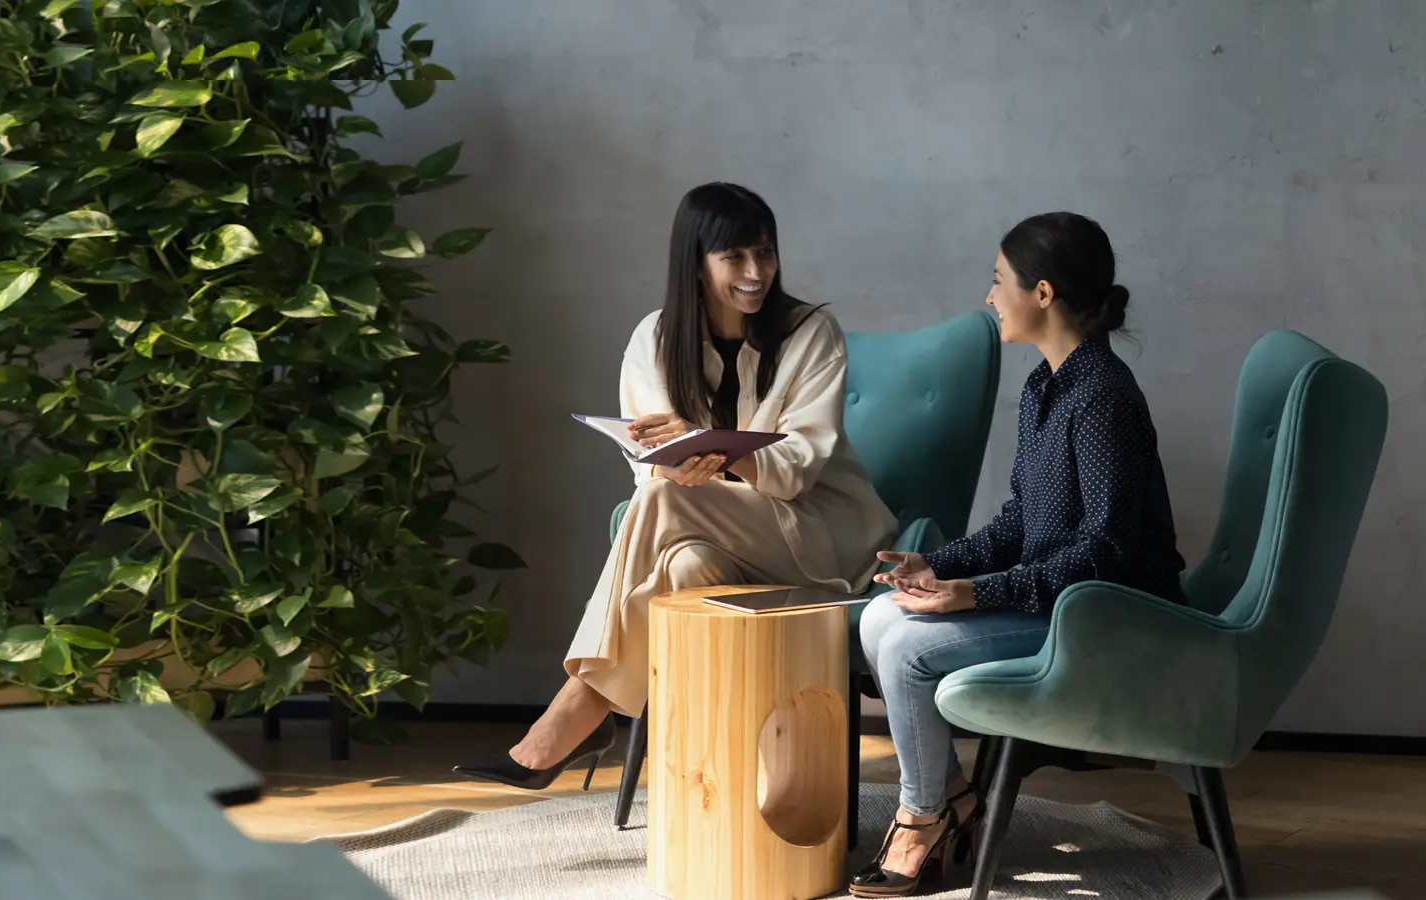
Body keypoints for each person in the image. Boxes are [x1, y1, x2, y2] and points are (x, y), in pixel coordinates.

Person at [455, 183, 896, 789]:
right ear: (695, 261)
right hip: (712, 536)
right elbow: (649, 462)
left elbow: (794, 470)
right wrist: (674, 457)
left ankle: (575, 712)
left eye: (764, 254)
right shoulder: (655, 339)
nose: (754, 272)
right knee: (685, 567)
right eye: (734, 257)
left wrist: (705, 445)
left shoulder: (810, 332)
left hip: (823, 541)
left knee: (665, 502)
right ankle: (717, 781)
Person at [849, 212, 1185, 898]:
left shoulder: (1102, 399)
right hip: (1060, 600)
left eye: (999, 280)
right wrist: (941, 568)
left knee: (909, 649)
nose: (988, 296)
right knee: (881, 617)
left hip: (1107, 617)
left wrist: (976, 595)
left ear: (1043, 294)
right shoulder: (1044, 386)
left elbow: (1106, 552)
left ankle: (922, 816)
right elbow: (1022, 521)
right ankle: (951, 798)